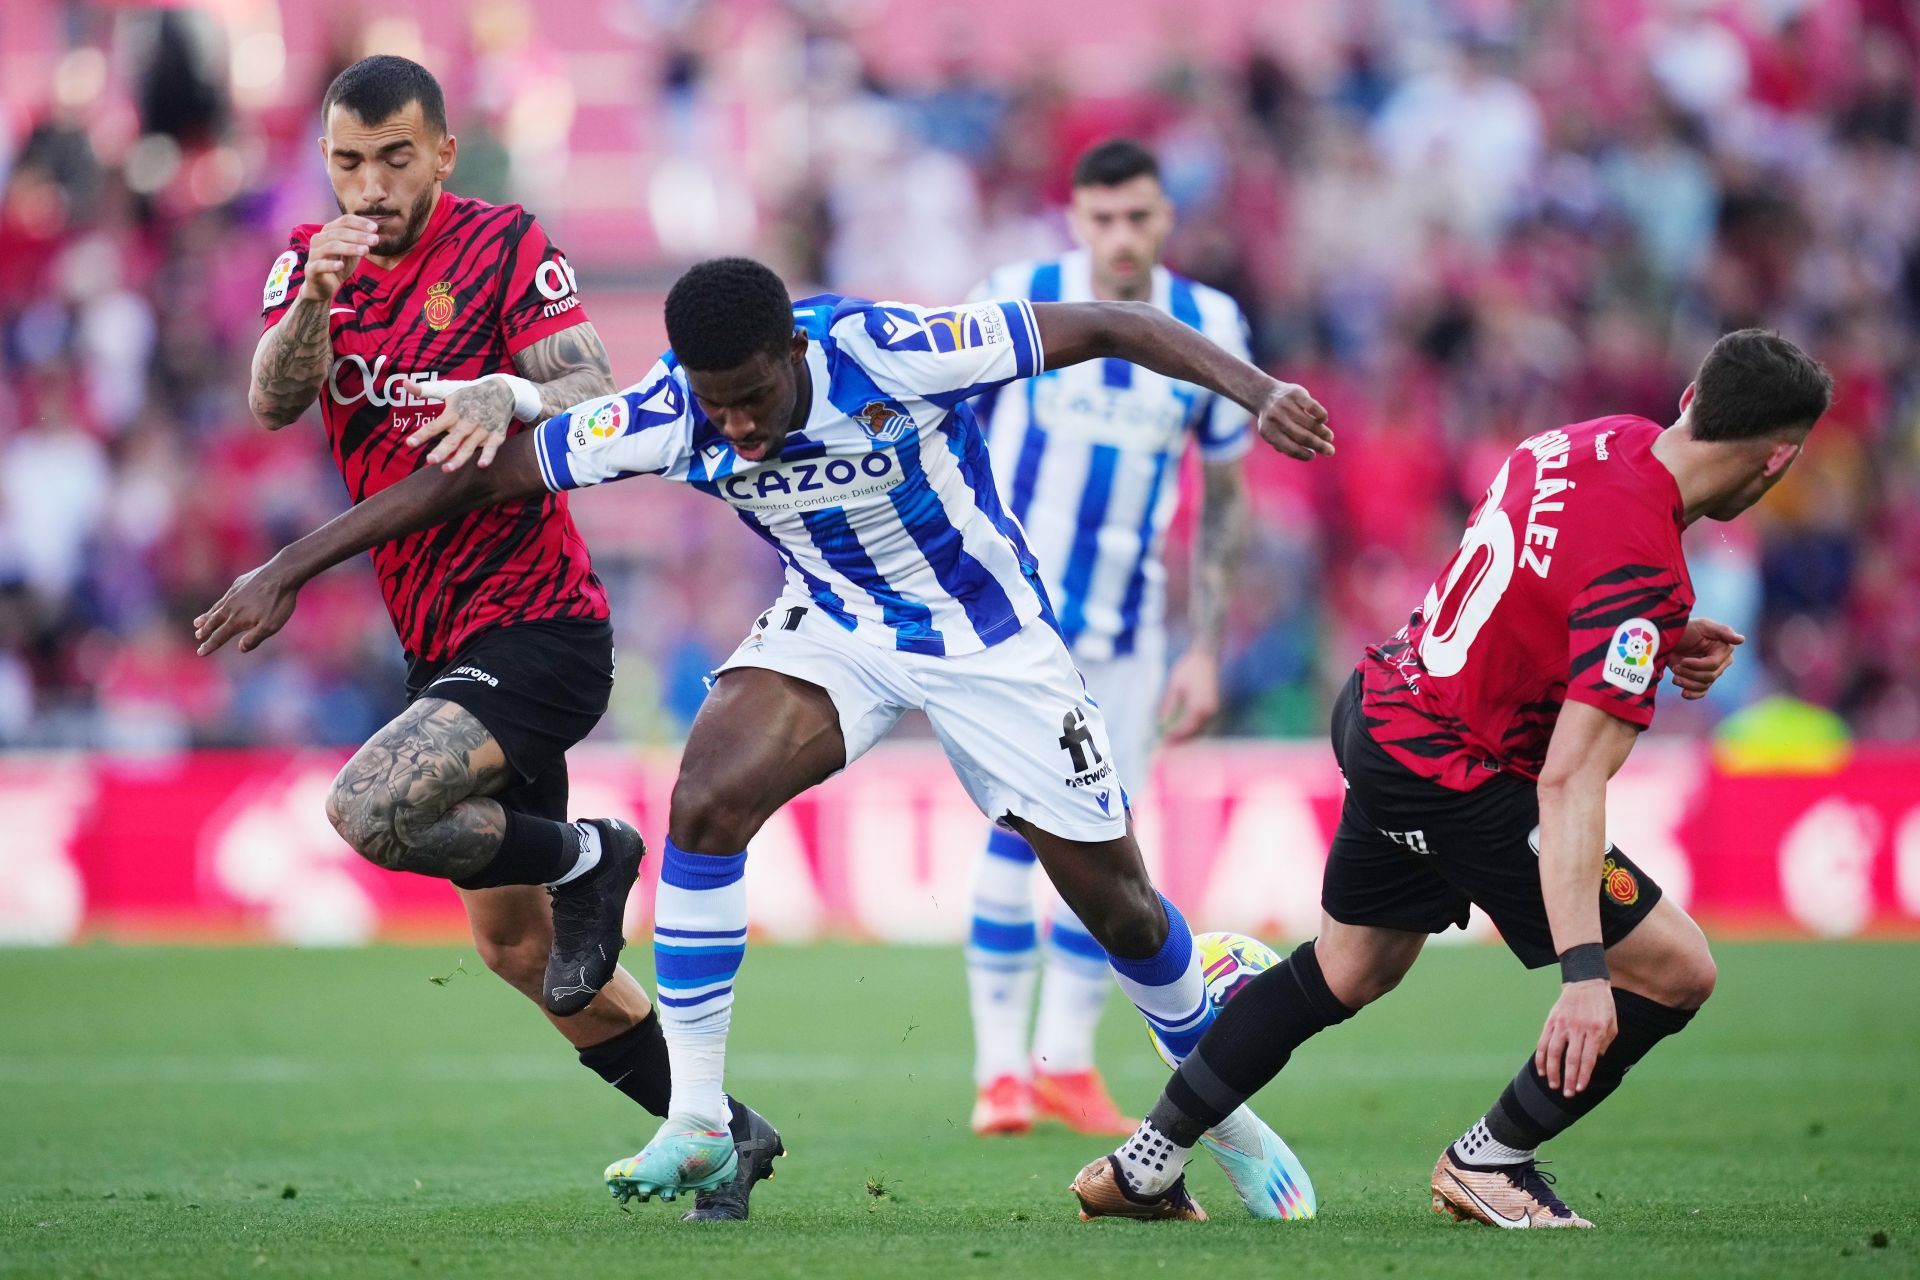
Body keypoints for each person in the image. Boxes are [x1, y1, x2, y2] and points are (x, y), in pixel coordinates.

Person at [193, 256, 1335, 1218]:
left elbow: (1110, 322)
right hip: (834, 623)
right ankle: (696, 1115)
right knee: (704, 799)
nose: (732, 427)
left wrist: (1256, 389)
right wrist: (288, 564)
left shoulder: (891, 350)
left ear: (792, 347)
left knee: (1122, 906)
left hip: (989, 640)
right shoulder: (673, 410)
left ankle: (1222, 1112)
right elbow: (481, 479)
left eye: (749, 398)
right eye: (715, 404)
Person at [1071, 329, 1832, 1226]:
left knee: (1349, 967)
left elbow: (1546, 575)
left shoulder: (1593, 440)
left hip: (1385, 709)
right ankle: (1491, 1160)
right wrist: (1585, 976)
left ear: (1690, 402)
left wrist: (1655, 634)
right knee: (1674, 969)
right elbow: (1570, 782)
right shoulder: (1643, 576)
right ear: (1778, 460)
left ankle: (1143, 1166)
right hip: (1459, 774)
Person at [213, 55, 780, 1221]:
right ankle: (722, 1130)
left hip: (539, 621)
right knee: (524, 955)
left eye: (394, 159)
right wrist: (315, 298)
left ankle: (589, 856)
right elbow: (273, 400)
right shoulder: (309, 268)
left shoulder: (506, 244)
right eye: (347, 161)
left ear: (444, 153)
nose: (369, 185)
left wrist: (510, 394)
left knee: (370, 807)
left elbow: (601, 392)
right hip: (440, 641)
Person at [961, 139, 1253, 1139]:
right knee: (1018, 837)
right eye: (1104, 219)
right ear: (1075, 219)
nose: (1122, 237)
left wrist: (1204, 644)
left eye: (1140, 217)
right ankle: (1001, 1070)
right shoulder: (1016, 292)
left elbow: (1222, 497)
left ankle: (1069, 1063)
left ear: (1166, 216)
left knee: (1113, 842)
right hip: (1012, 631)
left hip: (1128, 636)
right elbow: (946, 424)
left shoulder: (1211, 323)